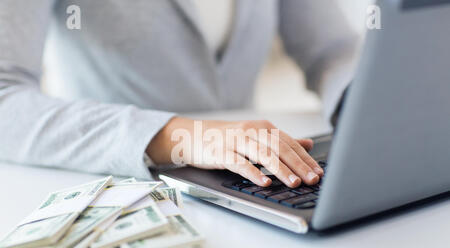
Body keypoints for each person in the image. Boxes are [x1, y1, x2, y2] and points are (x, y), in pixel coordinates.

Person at [0, 0, 359, 188]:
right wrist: (184, 137)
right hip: (116, 186)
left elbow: (330, 49)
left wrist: (361, 103)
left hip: (249, 181)